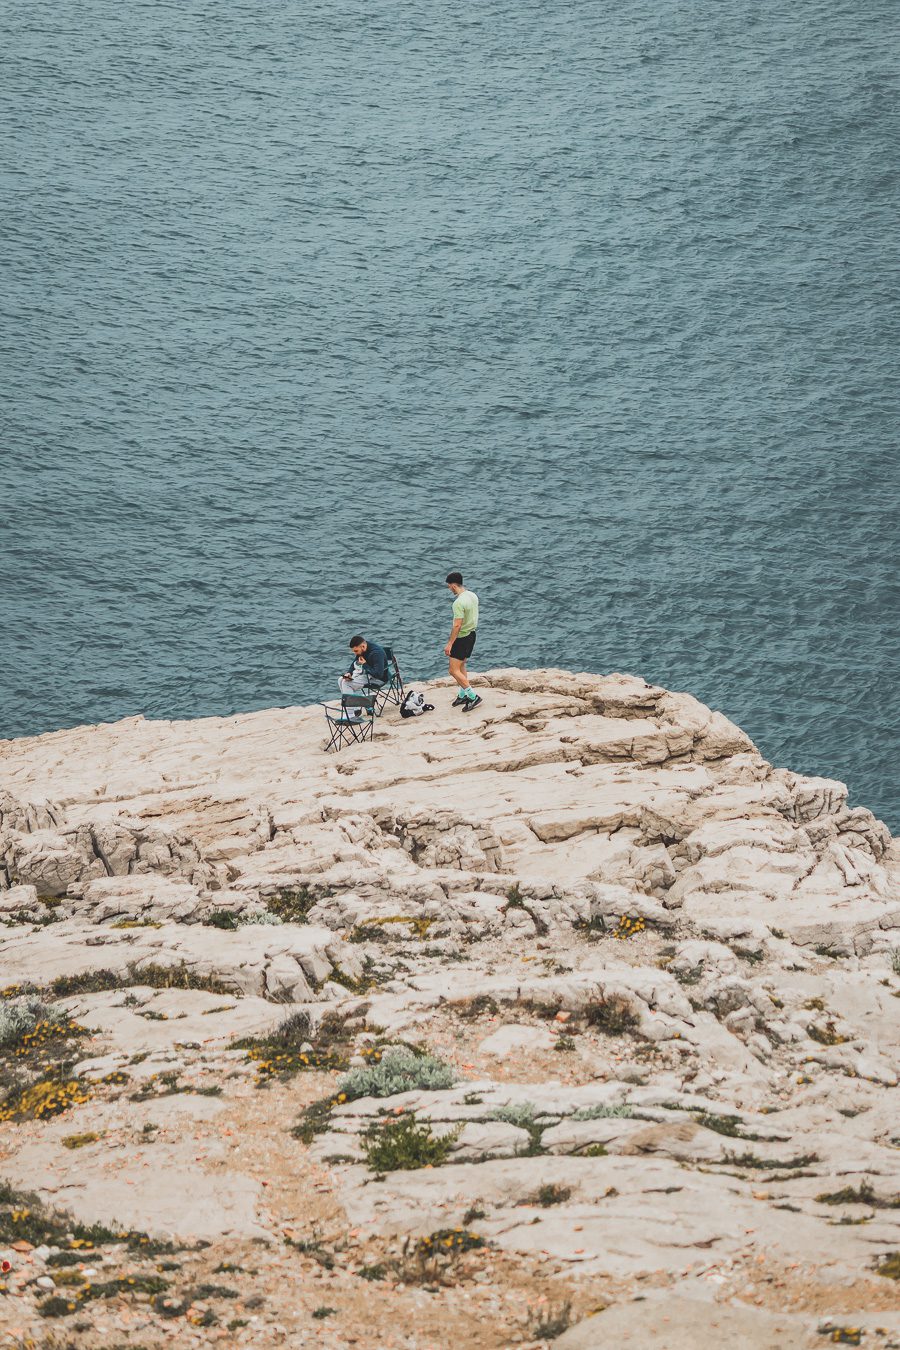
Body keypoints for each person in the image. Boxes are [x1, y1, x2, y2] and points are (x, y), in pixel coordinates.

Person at [444, 572, 482, 711]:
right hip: (472, 635)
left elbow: (457, 626)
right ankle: (462, 694)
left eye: (449, 586)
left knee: (453, 670)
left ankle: (472, 696)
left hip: (462, 638)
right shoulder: (472, 595)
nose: (449, 589)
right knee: (461, 666)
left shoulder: (458, 603)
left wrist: (450, 644)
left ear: (454, 586)